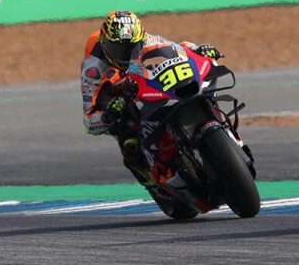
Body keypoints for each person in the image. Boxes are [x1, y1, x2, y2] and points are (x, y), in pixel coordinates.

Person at [81, 10, 223, 187]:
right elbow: (88, 122)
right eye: (118, 50)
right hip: (115, 94)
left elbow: (178, 49)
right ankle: (153, 183)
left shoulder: (145, 40)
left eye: (131, 48)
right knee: (129, 141)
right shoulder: (93, 70)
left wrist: (198, 49)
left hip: (140, 77)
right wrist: (107, 115)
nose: (125, 55)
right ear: (105, 44)